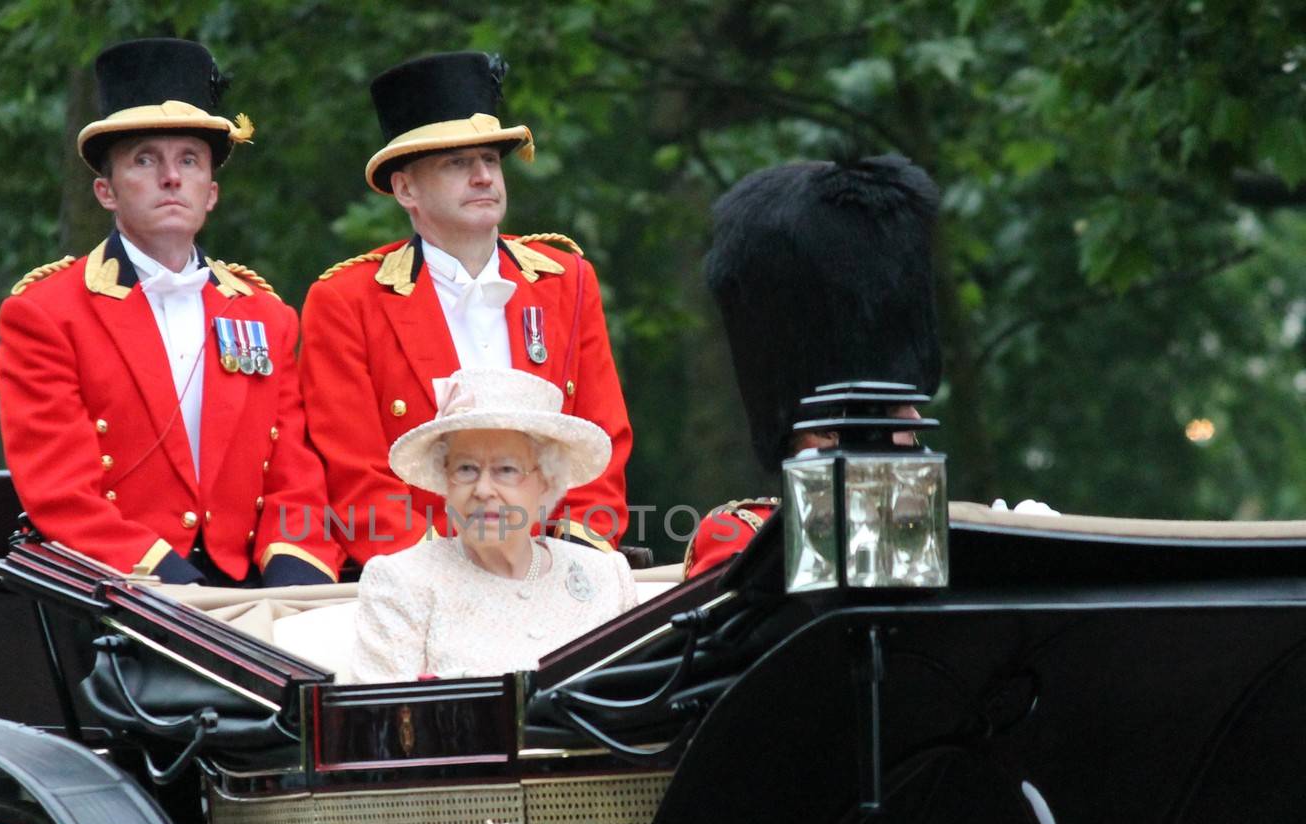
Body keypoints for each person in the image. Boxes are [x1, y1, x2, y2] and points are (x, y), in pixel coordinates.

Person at [0, 37, 342, 587]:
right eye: (145, 160)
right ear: (106, 192)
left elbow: (293, 478)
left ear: (211, 193)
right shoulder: (45, 314)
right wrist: (178, 591)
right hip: (120, 593)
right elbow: (61, 494)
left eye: (189, 160)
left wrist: (296, 585)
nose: (172, 177)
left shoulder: (266, 316)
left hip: (252, 591)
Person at [301, 51, 633, 568]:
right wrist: (453, 572)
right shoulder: (346, 300)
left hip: (557, 569)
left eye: (490, 160)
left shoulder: (567, 280)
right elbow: (356, 475)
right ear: (405, 187)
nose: (482, 176)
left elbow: (601, 442)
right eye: (457, 163)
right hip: (419, 576)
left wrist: (568, 556)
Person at [683, 155, 943, 577]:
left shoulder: (934, 530)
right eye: (895, 411)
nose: (916, 418)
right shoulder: (742, 536)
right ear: (823, 430)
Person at [350, 368, 636, 683]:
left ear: (546, 480)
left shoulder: (607, 578)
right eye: (466, 468)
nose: (483, 489)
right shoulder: (400, 582)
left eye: (506, 469)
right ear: (446, 479)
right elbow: (384, 722)